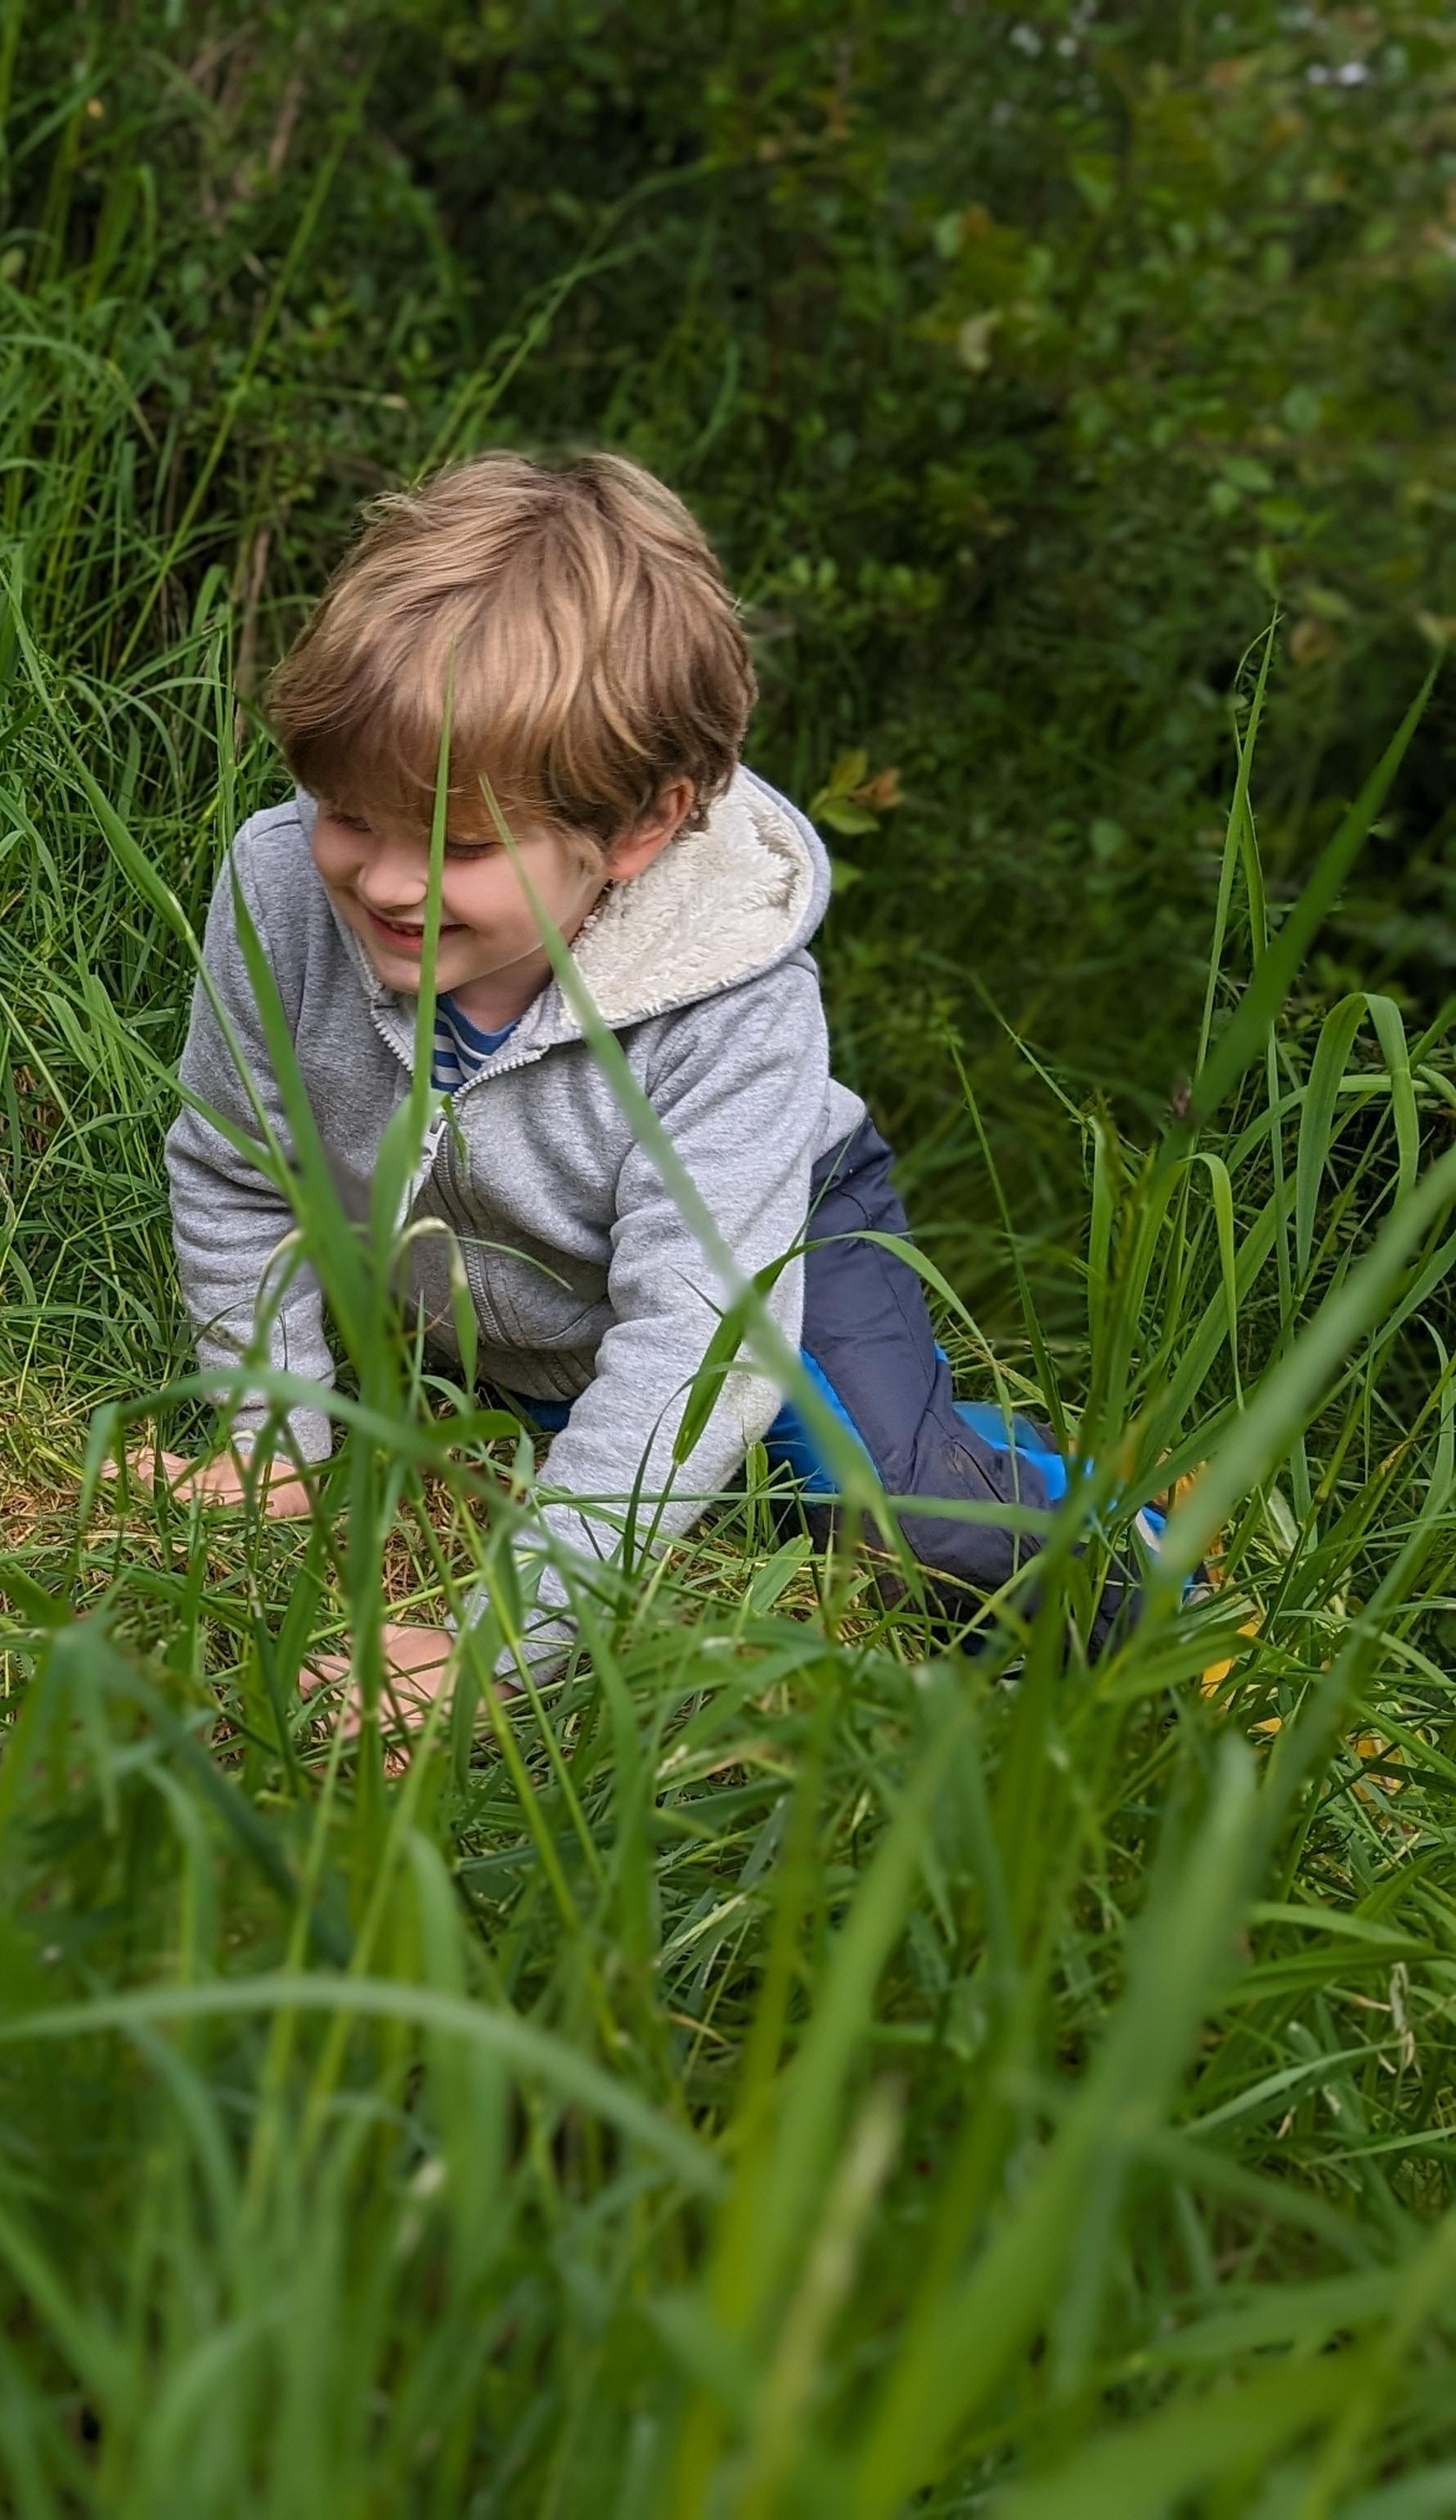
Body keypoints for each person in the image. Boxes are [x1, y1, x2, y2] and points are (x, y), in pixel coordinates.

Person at [164, 450, 1073, 1736]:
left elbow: (696, 1346)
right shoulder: (277, 887)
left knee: (908, 1522)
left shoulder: (735, 1005)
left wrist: (502, 1646)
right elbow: (236, 1172)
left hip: (763, 1233)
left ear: (640, 829)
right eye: (349, 815)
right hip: (506, 1282)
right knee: (600, 1438)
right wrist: (274, 1439)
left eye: (460, 846)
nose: (383, 882)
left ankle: (1144, 1563)